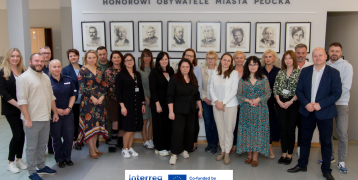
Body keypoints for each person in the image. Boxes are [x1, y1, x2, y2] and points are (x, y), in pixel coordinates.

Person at [287, 47, 342, 180]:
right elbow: (299, 91)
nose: (317, 58)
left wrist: (319, 105)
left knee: (326, 143)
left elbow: (336, 93)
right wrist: (306, 104)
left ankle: (326, 170)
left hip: (325, 113)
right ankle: (302, 164)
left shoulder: (333, 73)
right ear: (312, 58)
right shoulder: (305, 71)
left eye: (320, 55)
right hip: (307, 112)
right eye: (315, 56)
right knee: (304, 140)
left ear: (325, 57)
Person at [16, 53, 59, 180]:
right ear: (30, 62)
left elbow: (51, 97)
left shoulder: (45, 77)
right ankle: (32, 172)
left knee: (42, 145)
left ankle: (41, 166)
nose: (39, 63)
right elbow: (22, 101)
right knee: (31, 147)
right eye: (36, 61)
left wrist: (55, 112)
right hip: (33, 120)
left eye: (41, 61)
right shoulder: (24, 78)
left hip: (46, 118)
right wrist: (27, 119)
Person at [321, 42, 353, 173]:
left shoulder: (347, 66)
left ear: (340, 52)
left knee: (342, 133)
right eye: (332, 51)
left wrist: (331, 98)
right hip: (327, 104)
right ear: (328, 52)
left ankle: (341, 160)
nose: (334, 53)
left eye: (337, 51)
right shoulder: (325, 65)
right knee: (327, 132)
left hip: (341, 103)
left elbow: (346, 87)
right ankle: (331, 156)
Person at [236, 56, 271, 167]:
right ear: (247, 66)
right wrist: (248, 100)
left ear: (258, 66)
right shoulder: (243, 79)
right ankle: (249, 155)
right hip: (246, 110)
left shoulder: (264, 78)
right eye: (250, 64)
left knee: (257, 133)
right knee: (247, 132)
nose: (253, 66)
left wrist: (258, 99)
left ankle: (255, 157)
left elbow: (268, 93)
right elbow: (239, 94)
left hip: (260, 110)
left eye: (255, 64)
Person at [167, 59, 203, 165]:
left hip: (191, 110)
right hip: (178, 110)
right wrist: (171, 112)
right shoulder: (174, 79)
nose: (185, 69)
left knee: (189, 132)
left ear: (190, 68)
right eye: (183, 66)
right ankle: (174, 154)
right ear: (179, 67)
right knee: (178, 132)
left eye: (187, 67)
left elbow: (197, 96)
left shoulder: (193, 78)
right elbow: (170, 96)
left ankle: (183, 150)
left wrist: (200, 109)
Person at [0, 48, 27, 174]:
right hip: (11, 109)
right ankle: (10, 162)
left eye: (17, 56)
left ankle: (19, 159)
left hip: (24, 108)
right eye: (12, 56)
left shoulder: (24, 70)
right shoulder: (3, 72)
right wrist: (19, 105)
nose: (15, 58)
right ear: (8, 57)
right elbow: (4, 93)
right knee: (17, 135)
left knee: (23, 134)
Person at [78, 50, 108, 159]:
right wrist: (92, 98)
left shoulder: (100, 70)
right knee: (90, 125)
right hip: (88, 102)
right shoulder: (83, 70)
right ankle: (91, 149)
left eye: (94, 57)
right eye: (89, 58)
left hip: (100, 101)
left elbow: (104, 84)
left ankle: (95, 147)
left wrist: (102, 96)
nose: (92, 60)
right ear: (86, 58)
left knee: (97, 125)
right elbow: (82, 88)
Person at [210, 53, 239, 165]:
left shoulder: (234, 73)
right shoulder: (215, 73)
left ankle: (227, 153)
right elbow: (211, 88)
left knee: (229, 130)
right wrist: (217, 102)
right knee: (220, 129)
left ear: (231, 62)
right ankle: (222, 150)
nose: (226, 62)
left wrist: (223, 103)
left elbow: (234, 90)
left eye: (228, 60)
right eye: (224, 60)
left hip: (230, 105)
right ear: (221, 60)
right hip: (216, 105)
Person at [273, 51, 301, 165]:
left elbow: (300, 89)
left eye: (290, 58)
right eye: (285, 58)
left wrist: (291, 101)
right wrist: (279, 101)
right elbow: (275, 88)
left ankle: (289, 154)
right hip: (280, 103)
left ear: (294, 59)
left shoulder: (299, 72)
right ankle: (283, 153)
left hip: (293, 103)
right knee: (282, 129)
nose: (288, 60)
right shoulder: (280, 73)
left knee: (290, 129)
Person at [115, 53, 145, 158]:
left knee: (134, 127)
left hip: (137, 103)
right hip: (126, 104)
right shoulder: (120, 75)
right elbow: (118, 93)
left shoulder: (137, 74)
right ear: (124, 62)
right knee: (128, 128)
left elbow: (141, 90)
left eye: (131, 59)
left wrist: (143, 103)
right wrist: (122, 106)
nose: (129, 62)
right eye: (127, 60)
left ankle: (129, 147)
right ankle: (124, 149)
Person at [49, 60, 76, 168]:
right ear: (50, 68)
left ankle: (67, 157)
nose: (57, 69)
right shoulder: (47, 82)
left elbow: (73, 95)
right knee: (56, 137)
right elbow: (46, 98)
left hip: (67, 113)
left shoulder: (68, 80)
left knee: (69, 137)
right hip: (54, 114)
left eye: (59, 66)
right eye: (54, 67)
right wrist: (56, 110)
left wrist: (69, 108)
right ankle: (59, 159)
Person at [149, 51, 175, 156]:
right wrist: (157, 104)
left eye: (166, 59)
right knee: (158, 126)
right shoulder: (154, 72)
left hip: (169, 104)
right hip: (158, 104)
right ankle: (159, 148)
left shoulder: (171, 70)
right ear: (158, 61)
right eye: (161, 59)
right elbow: (153, 89)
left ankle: (167, 146)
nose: (164, 61)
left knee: (168, 126)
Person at [62, 49, 83, 151]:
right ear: (68, 58)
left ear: (78, 56)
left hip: (84, 100)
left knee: (82, 121)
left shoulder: (84, 68)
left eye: (75, 55)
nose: (73, 57)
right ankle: (75, 141)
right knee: (74, 121)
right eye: (71, 56)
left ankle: (81, 139)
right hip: (72, 100)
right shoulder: (65, 70)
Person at [261, 49, 281, 159]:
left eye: (270, 57)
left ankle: (270, 146)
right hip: (261, 102)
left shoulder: (279, 71)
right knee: (262, 125)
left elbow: (280, 88)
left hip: (273, 102)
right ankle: (263, 146)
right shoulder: (259, 71)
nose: (268, 59)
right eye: (266, 57)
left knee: (271, 124)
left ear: (273, 58)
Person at [294, 43, 313, 157]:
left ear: (306, 53)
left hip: (305, 102)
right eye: (298, 53)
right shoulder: (290, 65)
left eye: (303, 53)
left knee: (303, 126)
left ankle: (301, 148)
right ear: (295, 53)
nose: (300, 55)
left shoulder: (311, 66)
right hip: (292, 102)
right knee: (291, 126)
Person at [182, 48, 202, 152]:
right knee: (184, 124)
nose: (189, 57)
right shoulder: (181, 68)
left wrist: (198, 103)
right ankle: (184, 143)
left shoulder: (197, 69)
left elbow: (199, 86)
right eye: (187, 55)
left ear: (194, 58)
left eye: (191, 56)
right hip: (183, 102)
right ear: (183, 56)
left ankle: (193, 142)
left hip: (194, 100)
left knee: (194, 124)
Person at [104, 51, 124, 152]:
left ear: (121, 58)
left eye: (118, 57)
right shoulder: (108, 71)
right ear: (111, 59)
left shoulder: (125, 70)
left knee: (123, 120)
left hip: (125, 100)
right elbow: (106, 86)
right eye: (114, 57)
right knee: (115, 120)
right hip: (112, 99)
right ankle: (114, 141)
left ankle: (120, 142)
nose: (116, 59)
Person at [201, 50, 219, 154]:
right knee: (208, 123)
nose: (210, 60)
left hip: (216, 101)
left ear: (215, 59)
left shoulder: (220, 71)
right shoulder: (202, 70)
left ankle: (214, 144)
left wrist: (216, 99)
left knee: (216, 123)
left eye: (212, 58)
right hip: (205, 101)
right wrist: (204, 98)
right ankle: (209, 144)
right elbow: (200, 86)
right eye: (208, 58)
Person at [139, 49, 155, 149]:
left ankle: (150, 139)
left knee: (152, 120)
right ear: (142, 58)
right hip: (143, 98)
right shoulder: (139, 70)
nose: (147, 58)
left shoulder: (154, 70)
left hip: (154, 98)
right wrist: (146, 98)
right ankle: (145, 141)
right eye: (145, 56)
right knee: (144, 121)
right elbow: (140, 86)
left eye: (149, 56)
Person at [230, 51, 245, 154]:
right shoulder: (230, 71)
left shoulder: (248, 70)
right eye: (237, 58)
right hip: (233, 101)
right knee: (233, 125)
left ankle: (243, 145)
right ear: (234, 60)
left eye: (241, 58)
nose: (239, 59)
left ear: (244, 59)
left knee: (244, 125)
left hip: (246, 102)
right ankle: (234, 144)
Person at [96, 46, 111, 143]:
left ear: (107, 54)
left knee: (109, 118)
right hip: (97, 97)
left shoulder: (111, 64)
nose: (102, 56)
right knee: (96, 118)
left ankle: (108, 138)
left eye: (104, 54)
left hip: (110, 96)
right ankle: (95, 140)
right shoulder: (94, 66)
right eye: (100, 54)